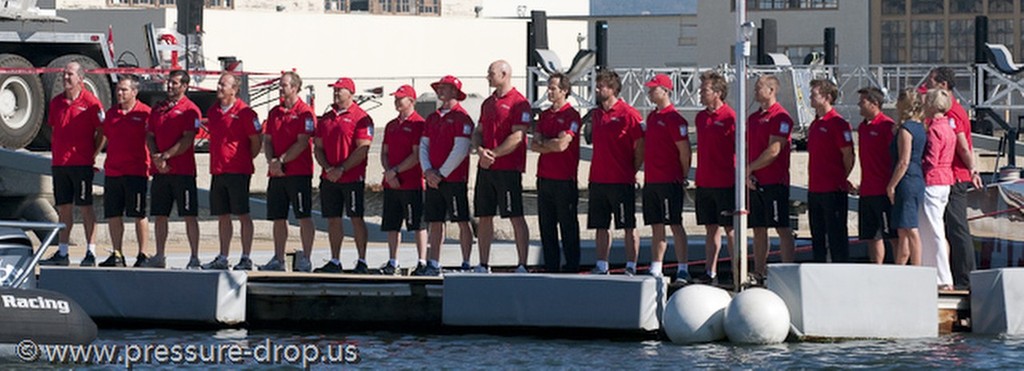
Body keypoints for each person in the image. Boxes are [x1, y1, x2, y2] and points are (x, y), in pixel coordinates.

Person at [39, 62, 103, 267]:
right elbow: (53, 128)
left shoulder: (91, 103)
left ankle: (90, 252)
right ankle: (63, 251)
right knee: (64, 208)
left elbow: (102, 131)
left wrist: (93, 152)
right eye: (64, 74)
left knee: (85, 207)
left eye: (70, 75)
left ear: (80, 79)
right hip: (60, 164)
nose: (65, 78)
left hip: (81, 164)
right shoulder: (57, 102)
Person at [472, 60, 532, 273]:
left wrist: (494, 154)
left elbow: (518, 136)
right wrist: (480, 150)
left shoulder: (519, 103)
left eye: (491, 73)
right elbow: (478, 131)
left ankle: (522, 263)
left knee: (515, 214)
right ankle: (483, 263)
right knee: (484, 215)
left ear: (504, 74)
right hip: (486, 168)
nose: (488, 77)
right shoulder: (487, 103)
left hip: (508, 168)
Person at [313, 77, 373, 274]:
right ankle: (335, 260)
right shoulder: (327, 117)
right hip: (329, 178)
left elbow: (362, 149)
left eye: (340, 89)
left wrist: (342, 169)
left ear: (351, 93)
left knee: (356, 218)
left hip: (352, 178)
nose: (336, 93)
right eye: (335, 89)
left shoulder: (360, 117)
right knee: (333, 219)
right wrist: (328, 168)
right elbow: (318, 147)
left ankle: (362, 260)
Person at [201, 73, 261, 271]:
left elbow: (256, 141)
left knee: (242, 214)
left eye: (223, 84)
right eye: (219, 84)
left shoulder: (245, 113)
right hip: (218, 170)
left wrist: (243, 159)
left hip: (238, 171)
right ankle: (223, 256)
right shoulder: (214, 111)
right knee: (222, 215)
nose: (219, 87)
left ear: (234, 89)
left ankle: (245, 256)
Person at [928, 67, 981, 289]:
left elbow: (962, 146)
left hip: (955, 176)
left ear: (943, 85)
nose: (928, 86)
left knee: (957, 228)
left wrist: (972, 170)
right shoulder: (953, 110)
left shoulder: (952, 113)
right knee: (950, 227)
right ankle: (955, 274)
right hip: (949, 175)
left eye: (932, 82)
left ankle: (967, 278)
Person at [587, 69, 644, 276]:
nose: (597, 89)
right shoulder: (596, 114)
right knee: (601, 225)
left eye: (601, 85)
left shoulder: (628, 114)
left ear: (612, 89)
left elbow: (640, 146)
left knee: (627, 224)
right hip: (598, 178)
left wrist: (632, 168)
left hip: (621, 180)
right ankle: (602, 264)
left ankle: (631, 265)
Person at [417, 75, 475, 276]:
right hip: (434, 178)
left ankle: (467, 261)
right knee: (435, 221)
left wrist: (440, 173)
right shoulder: (432, 118)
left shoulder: (462, 117)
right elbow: (424, 145)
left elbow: (461, 148)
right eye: (439, 87)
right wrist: (428, 171)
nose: (440, 90)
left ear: (454, 91)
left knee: (461, 220)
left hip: (454, 178)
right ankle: (434, 262)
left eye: (445, 87)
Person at [145, 70, 202, 269]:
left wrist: (166, 155)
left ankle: (194, 257)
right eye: (169, 82)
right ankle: (159, 255)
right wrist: (156, 157)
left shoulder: (191, 110)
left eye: (175, 83)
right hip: (161, 172)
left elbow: (188, 139)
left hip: (182, 172)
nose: (170, 86)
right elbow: (150, 135)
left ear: (185, 86)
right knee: (160, 215)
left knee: (189, 215)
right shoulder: (158, 109)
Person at [260, 71, 316, 272]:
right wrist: (272, 162)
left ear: (294, 87)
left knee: (303, 216)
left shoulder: (304, 112)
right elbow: (267, 140)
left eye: (284, 85)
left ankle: (306, 258)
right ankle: (278, 258)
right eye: (280, 85)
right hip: (277, 174)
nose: (280, 89)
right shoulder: (274, 112)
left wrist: (282, 160)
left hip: (298, 173)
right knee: (278, 217)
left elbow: (303, 142)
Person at [98, 75, 151, 267]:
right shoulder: (111, 114)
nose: (120, 93)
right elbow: (104, 137)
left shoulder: (145, 113)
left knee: (139, 214)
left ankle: (143, 254)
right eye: (118, 89)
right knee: (113, 214)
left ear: (134, 92)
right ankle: (117, 254)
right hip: (113, 171)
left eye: (124, 90)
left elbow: (153, 139)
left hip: (136, 171)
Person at [641, 74, 690, 279]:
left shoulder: (675, 119)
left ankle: (682, 267)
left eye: (654, 89)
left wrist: (682, 174)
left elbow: (684, 151)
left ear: (665, 91)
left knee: (675, 224)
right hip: (651, 180)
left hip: (669, 180)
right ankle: (657, 265)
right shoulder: (652, 117)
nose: (650, 92)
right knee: (656, 225)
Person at [746, 75, 795, 280]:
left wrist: (750, 168)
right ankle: (759, 270)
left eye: (759, 88)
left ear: (771, 90)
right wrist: (748, 173)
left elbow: (774, 149)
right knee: (758, 228)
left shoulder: (781, 117)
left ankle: (787, 270)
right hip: (755, 181)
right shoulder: (753, 118)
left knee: (781, 227)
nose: (755, 92)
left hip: (774, 180)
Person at [531, 72, 581, 273]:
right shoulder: (544, 115)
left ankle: (572, 266)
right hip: (544, 178)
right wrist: (547, 143)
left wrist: (546, 142)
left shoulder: (572, 116)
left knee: (567, 226)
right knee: (547, 225)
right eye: (548, 88)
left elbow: (562, 145)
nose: (549, 92)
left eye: (553, 88)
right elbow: (534, 145)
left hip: (565, 179)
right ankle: (551, 265)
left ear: (564, 91)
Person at [379, 85, 428, 275]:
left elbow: (417, 155)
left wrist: (397, 171)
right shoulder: (391, 125)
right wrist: (389, 172)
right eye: (396, 98)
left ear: (411, 101)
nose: (397, 101)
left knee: (417, 224)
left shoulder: (418, 124)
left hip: (412, 182)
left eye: (401, 98)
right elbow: (384, 152)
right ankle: (393, 261)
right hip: (392, 183)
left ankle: (422, 260)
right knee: (392, 225)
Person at [693, 70, 736, 283]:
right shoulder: (701, 117)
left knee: (730, 229)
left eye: (705, 90)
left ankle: (738, 271)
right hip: (705, 181)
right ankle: (710, 272)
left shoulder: (730, 117)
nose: (701, 93)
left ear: (717, 93)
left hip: (725, 182)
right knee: (710, 229)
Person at [806, 79, 854, 263]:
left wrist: (841, 177)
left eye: (814, 94)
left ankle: (840, 269)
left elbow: (848, 155)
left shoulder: (837, 123)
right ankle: (819, 268)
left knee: (836, 235)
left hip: (832, 189)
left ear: (827, 97)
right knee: (817, 235)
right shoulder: (815, 124)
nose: (810, 97)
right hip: (815, 188)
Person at [920, 89, 957, 290]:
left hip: (932, 180)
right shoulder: (948, 127)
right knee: (936, 228)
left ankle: (942, 277)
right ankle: (940, 275)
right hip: (946, 180)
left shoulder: (934, 129)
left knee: (933, 229)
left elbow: (931, 160)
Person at [856, 87, 897, 264]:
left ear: (874, 104)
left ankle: (900, 268)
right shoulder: (862, 127)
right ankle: (876, 268)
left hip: (883, 190)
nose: (859, 105)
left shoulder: (887, 126)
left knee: (891, 234)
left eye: (863, 101)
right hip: (867, 189)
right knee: (872, 235)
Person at [887, 88, 927, 266]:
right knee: (903, 228)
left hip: (907, 180)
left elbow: (904, 160)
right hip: (916, 177)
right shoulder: (921, 127)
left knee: (910, 228)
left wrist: (891, 185)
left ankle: (917, 268)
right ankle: (901, 265)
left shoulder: (906, 130)